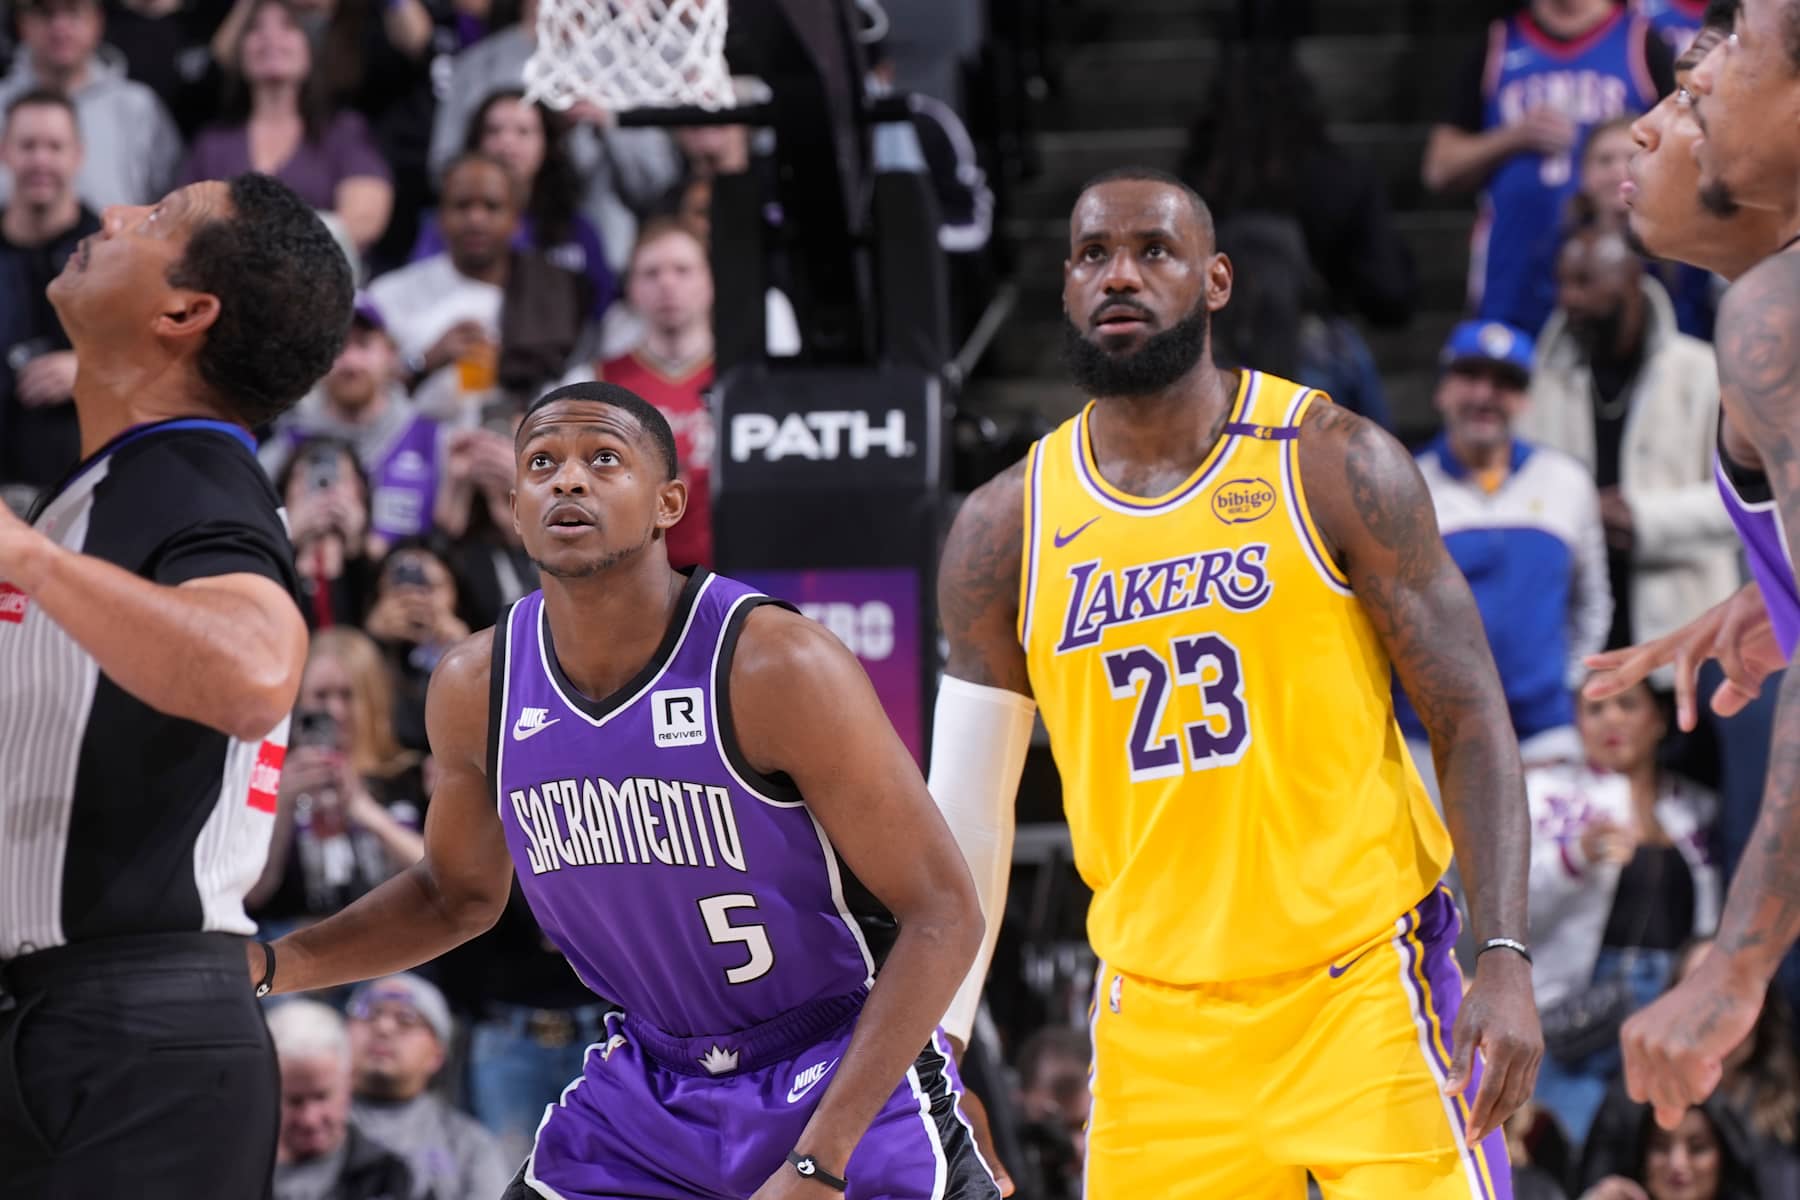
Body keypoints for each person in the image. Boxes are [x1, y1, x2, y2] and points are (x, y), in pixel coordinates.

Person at [929, 165, 1542, 1197]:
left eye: (1152, 251)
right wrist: (938, 1037)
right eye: (1093, 256)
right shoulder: (1005, 525)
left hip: (1364, 991)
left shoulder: (1331, 463)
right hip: (1156, 1024)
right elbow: (966, 817)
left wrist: (1505, 951)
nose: (1119, 275)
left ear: (1215, 281)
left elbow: (1470, 713)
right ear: (1067, 289)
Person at [249, 380, 1000, 1200]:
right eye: (542, 463)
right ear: (515, 502)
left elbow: (944, 910)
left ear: (668, 502)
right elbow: (452, 897)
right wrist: (268, 968)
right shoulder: (477, 684)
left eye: (603, 459)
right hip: (651, 1080)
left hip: (831, 1064)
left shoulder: (774, 664)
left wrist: (822, 1159)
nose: (568, 480)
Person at [0, 172, 354, 1197]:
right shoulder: (117, 484)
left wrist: (29, 560)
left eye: (153, 220)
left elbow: (252, 673)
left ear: (184, 312)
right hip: (85, 1035)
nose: (109, 216)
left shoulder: (187, 477)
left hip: (131, 1045)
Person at [1586, 0, 1800, 1127]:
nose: (1672, 112)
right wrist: (1772, 596)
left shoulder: (1778, 316)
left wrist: (1733, 967)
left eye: (1710, 77)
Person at [1400, 319, 1610, 780]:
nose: (1485, 395)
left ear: (1525, 400)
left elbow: (1592, 603)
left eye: (1505, 382)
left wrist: (1563, 680)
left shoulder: (1566, 482)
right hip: (1430, 738)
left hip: (1544, 733)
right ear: (1442, 390)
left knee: (1551, 854)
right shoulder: (1404, 486)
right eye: (1470, 376)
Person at [1526, 677, 1720, 1143]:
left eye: (1627, 704)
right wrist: (1575, 857)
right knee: (1568, 1140)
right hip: (1578, 999)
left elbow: (1711, 914)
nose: (1611, 719)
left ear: (1658, 720)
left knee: (1656, 1140)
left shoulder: (1697, 807)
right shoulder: (1544, 792)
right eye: (1595, 709)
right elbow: (1503, 909)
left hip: (1672, 998)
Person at [1422, 0, 1672, 334]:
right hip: (1514, 275)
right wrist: (1512, 137)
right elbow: (1438, 170)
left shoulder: (1643, 41)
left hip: (1624, 274)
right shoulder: (1496, 43)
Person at [181, 0, 394, 259]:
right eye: (255, 29)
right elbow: (183, 226)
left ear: (311, 48)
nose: (271, 39)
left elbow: (365, 221)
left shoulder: (344, 132)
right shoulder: (212, 143)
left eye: (288, 27)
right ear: (240, 51)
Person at [0, 89, 99, 493]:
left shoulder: (114, 253)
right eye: (28, 146)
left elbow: (155, 364)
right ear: (6, 152)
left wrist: (88, 369)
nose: (41, 160)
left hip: (82, 485)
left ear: (78, 154)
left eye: (54, 147)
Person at [0, 0, 184, 210]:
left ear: (97, 21)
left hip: (120, 239)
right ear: (23, 24)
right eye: (45, 13)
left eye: (73, 11)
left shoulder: (137, 107)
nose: (60, 27)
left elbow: (169, 202)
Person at [346, 973, 513, 1200]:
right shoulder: (305, 1124)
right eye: (370, 1015)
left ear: (437, 1054)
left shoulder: (469, 1145)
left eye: (406, 1019)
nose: (383, 1028)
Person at [269, 998, 423, 1200]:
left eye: (322, 1097)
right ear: (267, 1094)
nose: (310, 1119)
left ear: (350, 1081)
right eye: (294, 1101)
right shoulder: (232, 1172)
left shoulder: (389, 1178)